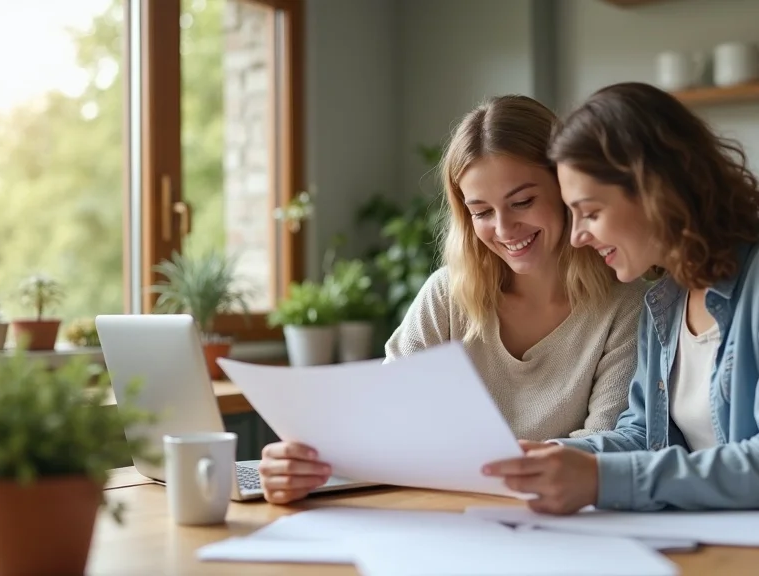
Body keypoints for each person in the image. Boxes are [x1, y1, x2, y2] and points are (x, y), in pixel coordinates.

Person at [481, 82, 759, 576]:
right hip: (721, 552)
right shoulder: (667, 295)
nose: (578, 236)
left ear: (656, 191)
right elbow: (642, 433)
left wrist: (600, 480)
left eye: (591, 212)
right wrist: (549, 457)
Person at [258, 94, 647, 505]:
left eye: (522, 202)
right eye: (481, 212)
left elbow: (608, 449)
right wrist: (304, 464)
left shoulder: (625, 303)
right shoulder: (447, 294)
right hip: (443, 518)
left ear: (567, 188)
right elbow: (383, 420)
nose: (504, 228)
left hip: (560, 526)